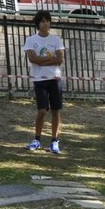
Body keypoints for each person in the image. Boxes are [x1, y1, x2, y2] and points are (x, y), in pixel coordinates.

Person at [23, 10, 65, 154]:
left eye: (47, 20)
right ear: (38, 24)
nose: (45, 23)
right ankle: (37, 139)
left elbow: (59, 59)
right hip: (39, 79)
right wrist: (50, 60)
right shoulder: (31, 40)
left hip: (54, 78)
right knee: (41, 110)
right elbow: (32, 59)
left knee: (55, 110)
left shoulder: (56, 40)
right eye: (42, 21)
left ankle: (54, 140)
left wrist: (43, 62)